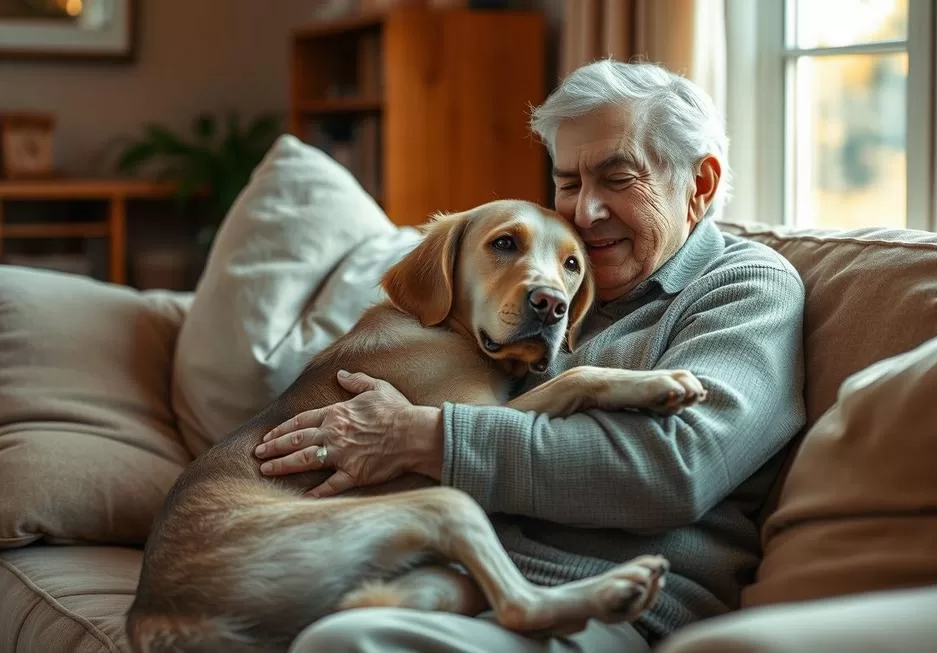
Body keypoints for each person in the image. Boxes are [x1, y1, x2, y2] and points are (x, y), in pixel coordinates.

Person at [253, 59, 806, 652]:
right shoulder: (548, 283)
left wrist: (422, 436)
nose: (586, 213)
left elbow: (676, 468)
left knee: (346, 645)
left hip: (608, 603)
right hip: (451, 575)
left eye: (618, 179)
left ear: (698, 185)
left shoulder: (748, 286)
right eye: (569, 183)